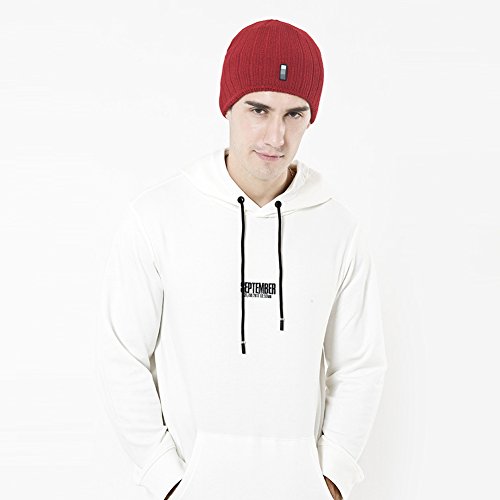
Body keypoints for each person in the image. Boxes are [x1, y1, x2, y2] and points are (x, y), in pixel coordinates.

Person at [96, 19, 387, 500]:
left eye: (294, 114)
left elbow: (359, 363)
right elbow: (121, 354)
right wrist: (166, 480)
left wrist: (332, 478)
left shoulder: (338, 229)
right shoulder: (157, 217)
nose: (276, 136)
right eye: (259, 109)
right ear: (228, 106)